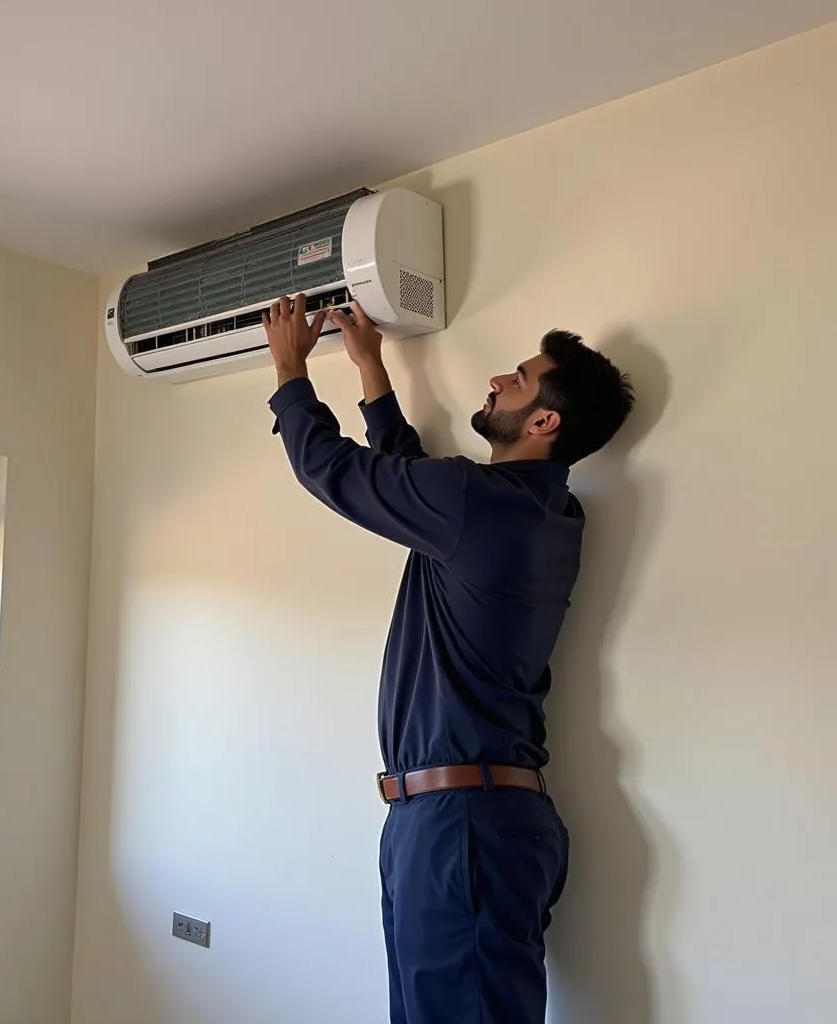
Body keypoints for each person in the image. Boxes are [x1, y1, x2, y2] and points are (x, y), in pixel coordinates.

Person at [263, 294, 634, 1024]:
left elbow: (329, 468)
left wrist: (289, 369)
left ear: (543, 422)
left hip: (460, 826)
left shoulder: (479, 504)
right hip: (471, 819)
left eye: (519, 380)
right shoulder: (544, 512)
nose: (498, 379)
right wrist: (371, 370)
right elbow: (416, 484)